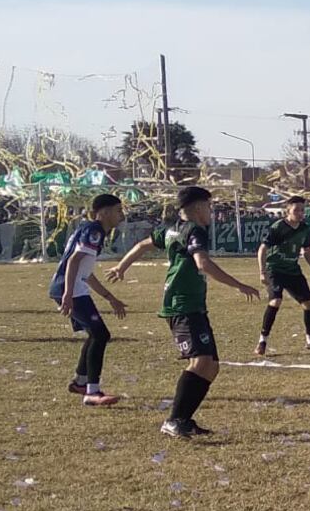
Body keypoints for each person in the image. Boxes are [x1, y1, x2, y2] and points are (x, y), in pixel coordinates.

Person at [107, 186, 260, 438]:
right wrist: (239, 285)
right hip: (182, 305)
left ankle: (184, 420)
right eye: (209, 206)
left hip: (192, 305)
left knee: (210, 367)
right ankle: (174, 420)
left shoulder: (171, 229)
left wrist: (122, 267)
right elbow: (203, 263)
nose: (211, 212)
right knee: (201, 362)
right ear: (199, 207)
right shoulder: (194, 230)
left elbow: (143, 245)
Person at [49, 194, 128, 407]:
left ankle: (80, 382)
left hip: (73, 287)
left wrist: (110, 298)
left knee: (96, 334)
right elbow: (74, 261)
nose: (121, 215)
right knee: (101, 334)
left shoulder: (89, 230)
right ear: (104, 212)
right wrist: (67, 293)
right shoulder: (94, 231)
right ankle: (92, 392)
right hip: (71, 289)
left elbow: (86, 272)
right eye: (118, 210)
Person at [254, 195, 310, 356]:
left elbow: (305, 251)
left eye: (302, 210)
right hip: (275, 270)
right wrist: (262, 272)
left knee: (309, 304)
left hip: (292, 271)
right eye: (296, 210)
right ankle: (262, 341)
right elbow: (262, 249)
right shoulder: (278, 227)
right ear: (288, 211)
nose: (300, 213)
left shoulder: (305, 228)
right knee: (276, 301)